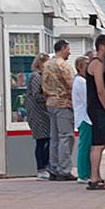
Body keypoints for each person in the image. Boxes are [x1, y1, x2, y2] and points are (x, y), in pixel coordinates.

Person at [84, 34, 105, 189]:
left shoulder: (94, 63)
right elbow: (100, 89)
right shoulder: (97, 64)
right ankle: (94, 178)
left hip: (94, 107)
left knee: (99, 143)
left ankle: (95, 176)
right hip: (98, 108)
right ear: (101, 46)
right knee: (98, 144)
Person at [42, 41, 77, 182]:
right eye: (68, 49)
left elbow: (43, 85)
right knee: (66, 137)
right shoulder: (63, 65)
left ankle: (54, 167)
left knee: (54, 137)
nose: (69, 52)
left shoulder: (47, 64)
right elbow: (71, 85)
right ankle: (64, 170)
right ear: (62, 49)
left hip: (50, 102)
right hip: (63, 103)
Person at [25, 52, 51, 178]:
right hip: (37, 113)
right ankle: (41, 168)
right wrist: (48, 97)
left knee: (45, 140)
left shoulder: (41, 76)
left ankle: (45, 166)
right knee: (42, 141)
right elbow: (36, 95)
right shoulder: (36, 76)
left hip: (42, 112)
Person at [72, 50, 92, 182]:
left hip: (84, 117)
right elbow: (88, 99)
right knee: (85, 146)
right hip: (85, 117)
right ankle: (83, 173)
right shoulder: (80, 82)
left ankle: (87, 171)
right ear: (80, 67)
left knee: (87, 145)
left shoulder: (81, 81)